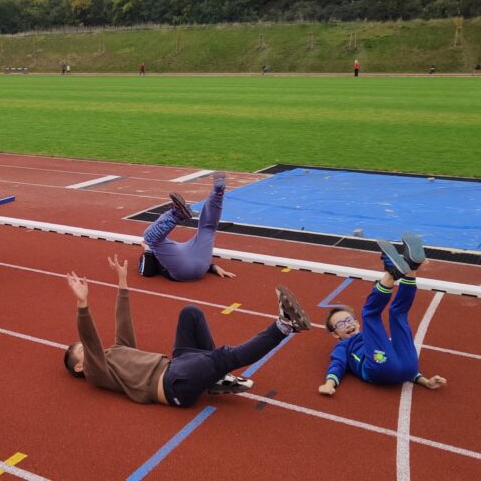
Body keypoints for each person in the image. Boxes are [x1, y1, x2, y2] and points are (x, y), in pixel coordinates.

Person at [64, 255, 312, 407]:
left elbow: (123, 324)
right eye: (82, 351)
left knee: (190, 313)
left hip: (175, 365)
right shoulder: (97, 373)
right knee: (222, 356)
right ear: (79, 367)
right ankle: (285, 325)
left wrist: (122, 282)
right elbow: (91, 339)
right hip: (172, 385)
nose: (89, 348)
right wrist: (82, 305)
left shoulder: (116, 352)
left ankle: (214, 377)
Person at [318, 234, 447, 396]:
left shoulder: (373, 337)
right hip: (378, 369)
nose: (348, 324)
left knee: (398, 314)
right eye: (341, 324)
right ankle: (393, 273)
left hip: (409, 368)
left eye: (349, 320)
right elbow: (337, 365)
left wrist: (425, 381)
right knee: (370, 314)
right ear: (335, 334)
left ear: (357, 324)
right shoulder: (343, 346)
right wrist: (329, 384)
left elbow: (397, 357)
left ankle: (411, 267)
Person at [138, 171, 234, 282]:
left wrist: (213, 267)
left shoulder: (167, 250)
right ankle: (216, 195)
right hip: (193, 265)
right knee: (207, 228)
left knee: (208, 229)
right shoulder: (158, 251)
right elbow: (147, 271)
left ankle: (218, 192)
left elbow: (148, 271)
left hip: (195, 265)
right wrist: (147, 250)